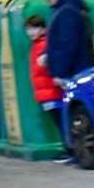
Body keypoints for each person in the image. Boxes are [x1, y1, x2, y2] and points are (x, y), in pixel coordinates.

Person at [43, 0, 93, 165]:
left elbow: (66, 45)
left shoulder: (66, 13)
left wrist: (59, 72)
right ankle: (76, 150)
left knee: (74, 111)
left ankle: (75, 150)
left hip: (73, 71)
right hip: (78, 68)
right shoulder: (74, 9)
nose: (47, 1)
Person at [25, 16, 64, 151]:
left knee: (60, 121)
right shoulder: (37, 45)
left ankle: (69, 150)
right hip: (46, 92)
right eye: (28, 29)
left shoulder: (44, 44)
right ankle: (68, 149)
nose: (31, 32)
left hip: (52, 91)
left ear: (43, 29)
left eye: (35, 28)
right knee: (59, 121)